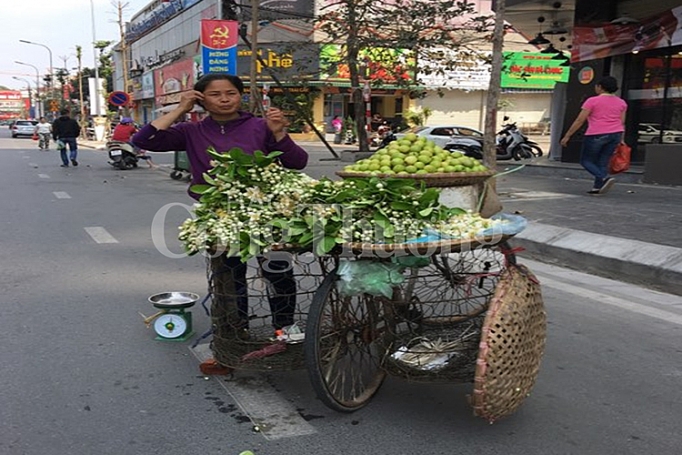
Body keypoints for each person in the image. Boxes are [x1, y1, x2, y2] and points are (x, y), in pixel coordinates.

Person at [133, 74, 308, 331]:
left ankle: (285, 327)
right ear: (201, 98)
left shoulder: (261, 126)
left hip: (265, 212)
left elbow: (297, 162)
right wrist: (181, 109)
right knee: (229, 275)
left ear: (241, 95)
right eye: (215, 94)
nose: (225, 99)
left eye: (231, 93)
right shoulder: (191, 131)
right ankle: (236, 330)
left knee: (278, 271)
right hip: (219, 215)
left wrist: (280, 133)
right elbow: (141, 141)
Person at [561, 76, 627, 195]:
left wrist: (567, 135)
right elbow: (621, 122)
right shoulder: (621, 102)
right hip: (615, 134)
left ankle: (602, 178)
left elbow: (580, 120)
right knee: (602, 161)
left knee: (586, 160)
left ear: (600, 87)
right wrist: (621, 138)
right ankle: (597, 187)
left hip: (596, 134)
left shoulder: (592, 101)